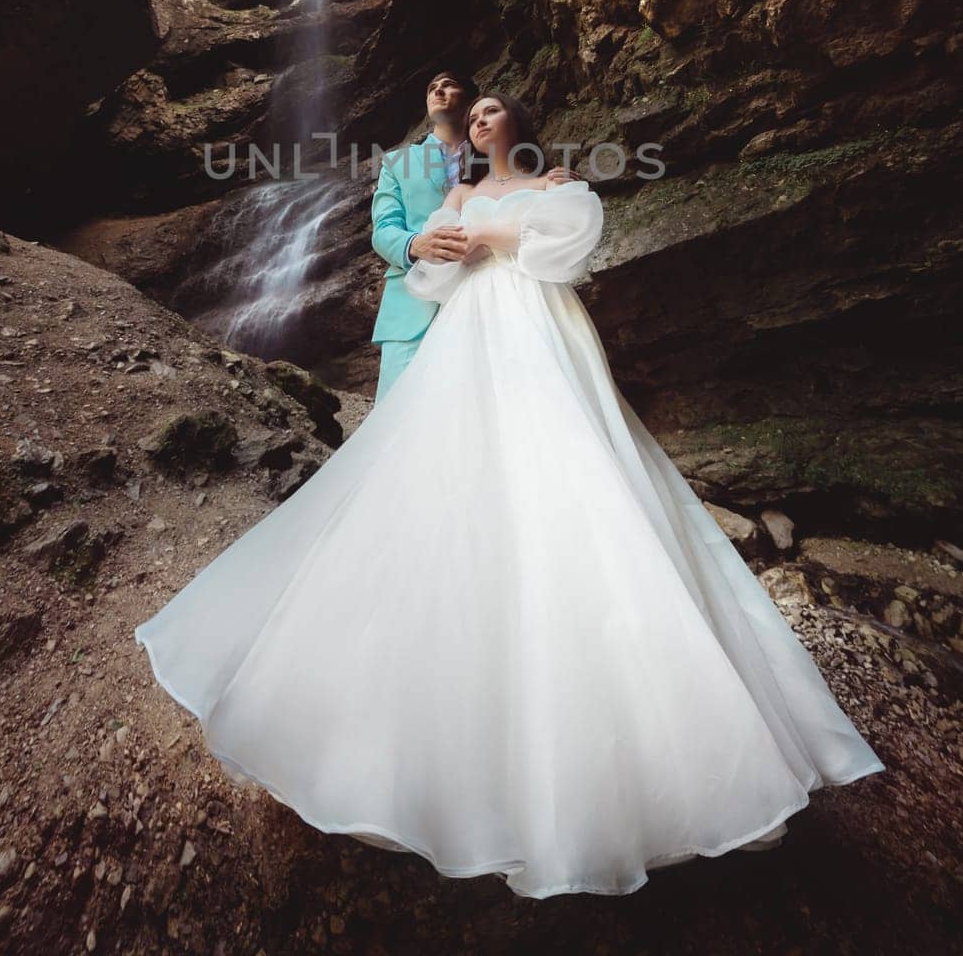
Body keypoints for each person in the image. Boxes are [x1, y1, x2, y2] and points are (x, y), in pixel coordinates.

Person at [134, 90, 885, 901]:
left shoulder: (554, 181)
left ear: (520, 125)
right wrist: (439, 243)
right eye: (475, 111)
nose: (481, 117)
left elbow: (570, 249)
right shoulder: (456, 191)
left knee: (568, 464)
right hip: (471, 332)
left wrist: (492, 232)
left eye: (494, 108)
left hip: (539, 324)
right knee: (446, 477)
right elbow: (429, 278)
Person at [368, 68, 476, 402]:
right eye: (432, 88)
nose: (438, 92)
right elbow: (383, 231)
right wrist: (416, 244)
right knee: (396, 418)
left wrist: (549, 181)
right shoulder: (397, 162)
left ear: (473, 99)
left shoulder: (495, 155)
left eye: (450, 85)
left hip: (478, 298)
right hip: (411, 306)